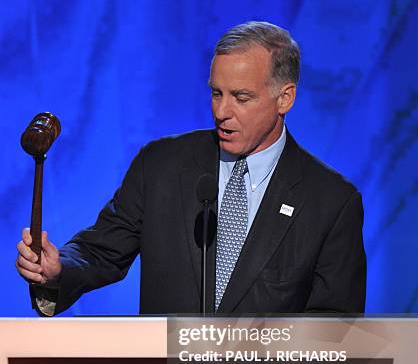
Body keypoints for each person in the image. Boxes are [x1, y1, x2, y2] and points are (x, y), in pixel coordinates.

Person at [16, 21, 366, 316]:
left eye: (241, 98)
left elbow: (333, 331)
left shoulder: (331, 202)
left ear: (285, 98)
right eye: (216, 93)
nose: (222, 112)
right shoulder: (161, 167)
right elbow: (101, 251)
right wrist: (59, 268)